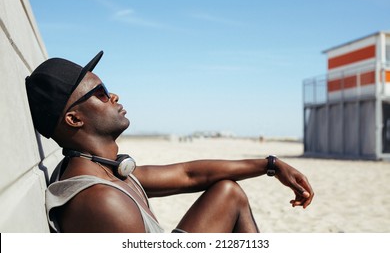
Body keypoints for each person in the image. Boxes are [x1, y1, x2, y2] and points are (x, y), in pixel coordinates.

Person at [25, 51, 314, 233]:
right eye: (101, 93)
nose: (115, 96)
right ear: (74, 119)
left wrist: (271, 165)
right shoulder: (102, 200)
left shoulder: (107, 170)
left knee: (228, 191)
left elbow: (188, 174)